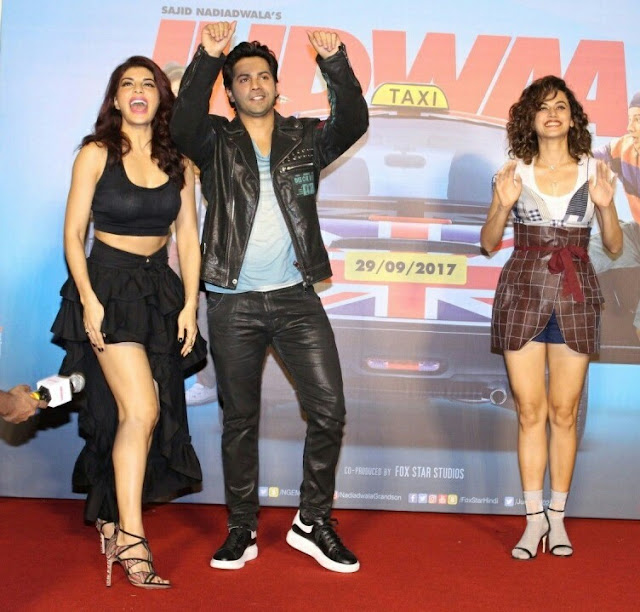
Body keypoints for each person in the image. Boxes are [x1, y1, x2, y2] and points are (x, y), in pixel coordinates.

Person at [171, 21, 368, 573]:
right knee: (240, 419)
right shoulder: (213, 140)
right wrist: (208, 56)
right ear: (230, 92)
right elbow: (182, 121)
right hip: (232, 300)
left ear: (277, 86)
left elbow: (353, 121)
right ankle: (242, 527)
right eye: (243, 78)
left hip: (296, 298)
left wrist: (335, 63)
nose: (255, 84)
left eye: (263, 76)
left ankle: (313, 521)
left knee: (329, 409)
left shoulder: (305, 138)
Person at [51, 56, 205, 588]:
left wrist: (190, 304)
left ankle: (114, 518)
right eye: (127, 84)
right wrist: (88, 299)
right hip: (108, 289)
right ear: (116, 99)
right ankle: (132, 539)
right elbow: (74, 233)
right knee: (142, 410)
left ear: (161, 98)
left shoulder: (179, 161)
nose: (138, 90)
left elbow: (189, 237)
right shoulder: (95, 153)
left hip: (158, 291)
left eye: (148, 84)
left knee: (130, 414)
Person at [480, 75, 622, 559]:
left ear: (573, 117)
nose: (553, 114)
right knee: (529, 411)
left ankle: (557, 518)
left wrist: (605, 208)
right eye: (543, 107)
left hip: (576, 295)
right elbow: (488, 242)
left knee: (564, 412)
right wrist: (502, 205)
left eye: (561, 105)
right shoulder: (513, 171)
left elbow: (615, 244)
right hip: (522, 292)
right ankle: (532, 520)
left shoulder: (595, 172)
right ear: (531, 119)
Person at [593, 93, 640, 223]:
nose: (630, 128)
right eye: (630, 120)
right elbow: (587, 157)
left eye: (638, 120)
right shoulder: (624, 147)